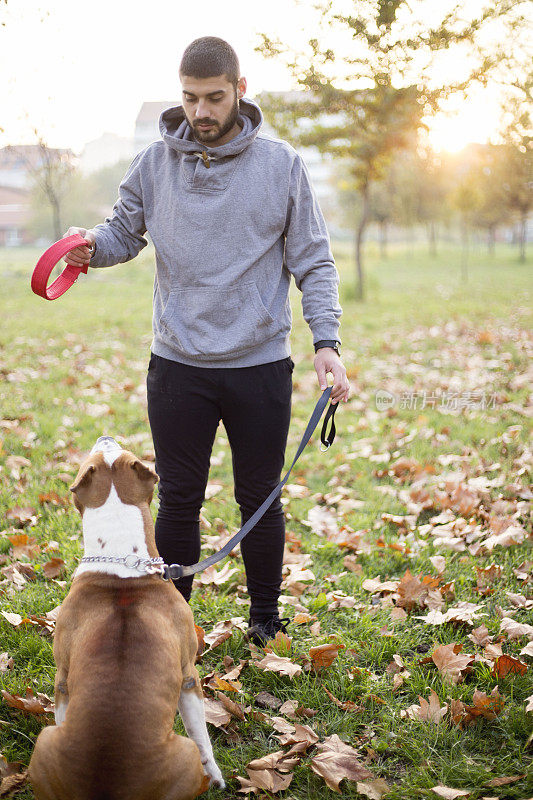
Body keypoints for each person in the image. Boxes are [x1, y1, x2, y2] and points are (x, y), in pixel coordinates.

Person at [63, 36, 350, 645]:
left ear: (240, 90)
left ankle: (264, 622)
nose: (201, 111)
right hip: (179, 365)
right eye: (191, 98)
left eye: (214, 98)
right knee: (180, 499)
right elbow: (122, 234)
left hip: (259, 364)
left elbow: (314, 262)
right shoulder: (153, 165)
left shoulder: (281, 166)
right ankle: (174, 626)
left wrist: (327, 340)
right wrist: (88, 246)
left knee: (258, 497)